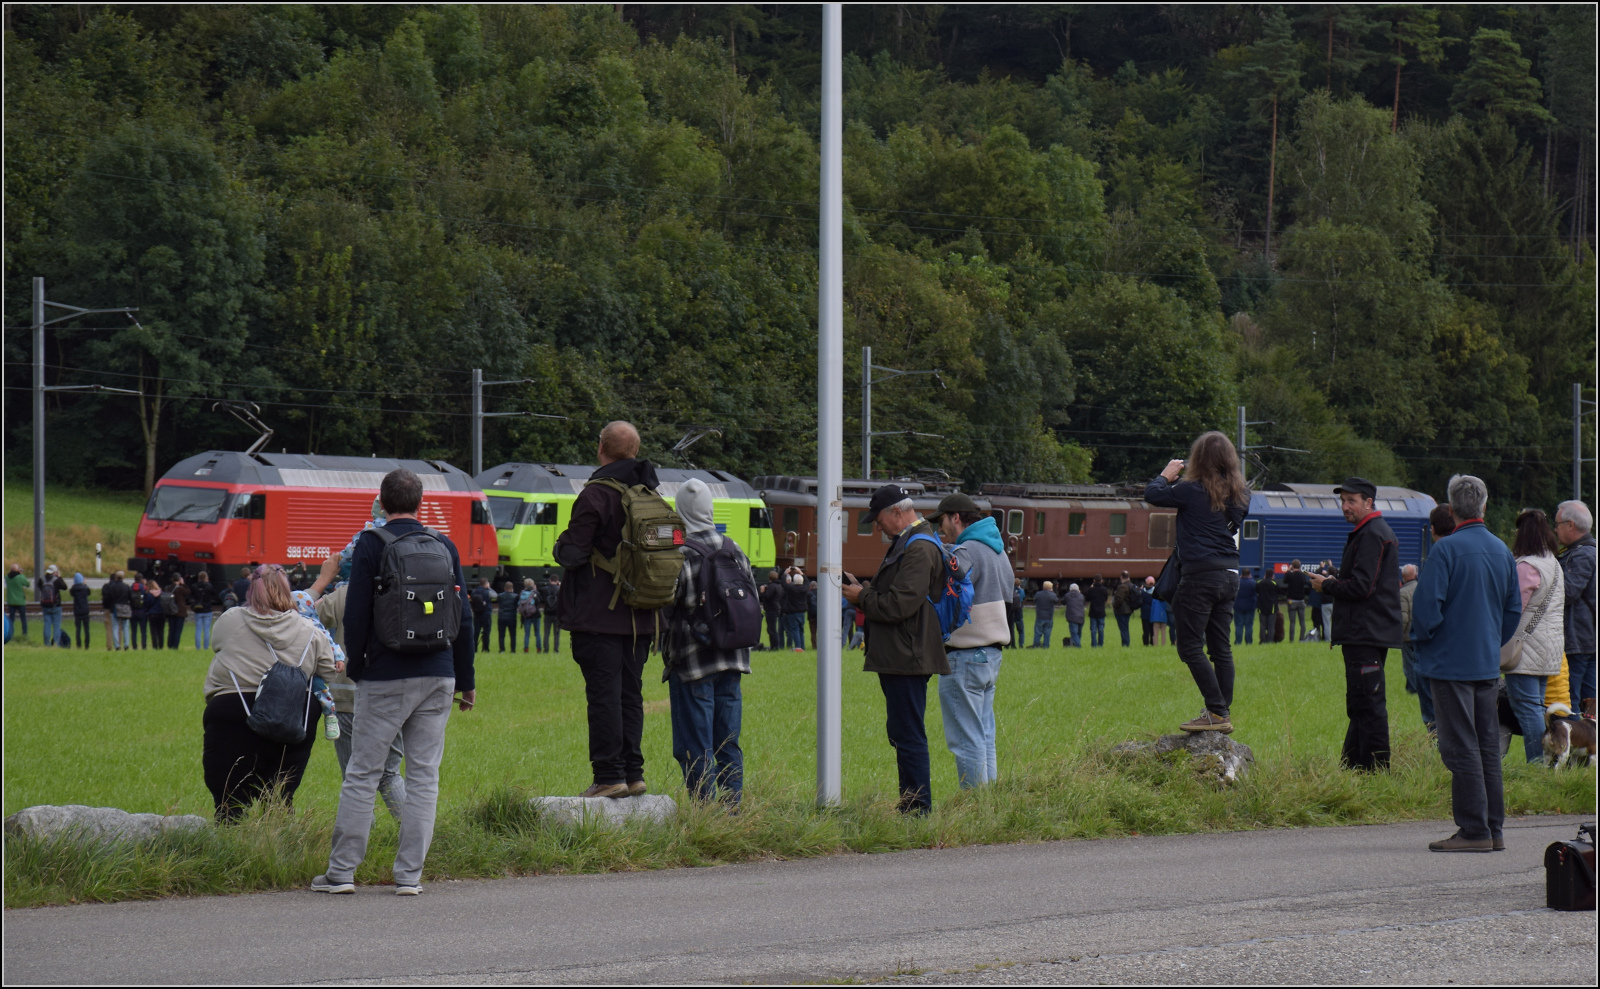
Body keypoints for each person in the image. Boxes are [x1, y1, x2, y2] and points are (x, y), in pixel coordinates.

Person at [315, 467, 476, 895]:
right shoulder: (444, 545)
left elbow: (357, 612)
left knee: (363, 772)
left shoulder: (372, 543)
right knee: (424, 775)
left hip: (386, 675)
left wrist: (358, 666)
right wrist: (466, 679)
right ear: (420, 503)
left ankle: (342, 873)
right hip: (439, 673)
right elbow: (466, 615)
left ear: (382, 504)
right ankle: (409, 877)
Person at [1410, 474, 1521, 852]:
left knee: (1459, 745)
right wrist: (1490, 641)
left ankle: (1473, 830)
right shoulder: (1502, 550)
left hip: (1450, 663)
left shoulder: (1445, 551)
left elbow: (1425, 613)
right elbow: (1513, 610)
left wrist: (1429, 641)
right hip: (1486, 663)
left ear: (1452, 509)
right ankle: (1494, 828)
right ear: (1485, 506)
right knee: (1487, 745)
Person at [551, 421, 661, 799]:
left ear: (602, 448)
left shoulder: (596, 495)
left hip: (599, 618)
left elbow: (573, 553)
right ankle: (634, 774)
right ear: (633, 451)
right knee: (630, 696)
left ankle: (608, 776)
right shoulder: (650, 492)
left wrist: (560, 544)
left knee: (603, 697)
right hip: (642, 617)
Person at [841, 484, 949, 814]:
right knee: (902, 734)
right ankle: (911, 805)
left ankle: (917, 810)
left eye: (879, 520)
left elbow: (900, 604)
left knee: (909, 736)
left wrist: (862, 596)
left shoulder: (918, 548)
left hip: (908, 657)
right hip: (903, 654)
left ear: (897, 513)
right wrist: (867, 591)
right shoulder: (912, 543)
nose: (877, 527)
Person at [203, 564, 339, 823]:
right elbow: (327, 670)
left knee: (229, 802)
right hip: (294, 713)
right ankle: (276, 846)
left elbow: (216, 645)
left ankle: (228, 850)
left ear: (252, 590)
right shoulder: (309, 630)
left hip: (234, 712)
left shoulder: (230, 620)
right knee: (279, 795)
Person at [1145, 431, 1250, 734]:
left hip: (1199, 575)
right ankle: (1220, 713)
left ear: (1198, 460)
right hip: (1230, 574)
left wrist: (1165, 475)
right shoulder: (1242, 494)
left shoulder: (1190, 489)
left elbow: (1152, 495)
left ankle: (1217, 712)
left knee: (1190, 647)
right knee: (1221, 649)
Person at [662, 478, 752, 805]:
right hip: (733, 658)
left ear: (681, 511)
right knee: (727, 741)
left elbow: (669, 605)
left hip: (693, 662)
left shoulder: (681, 554)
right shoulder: (734, 548)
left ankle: (704, 814)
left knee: (694, 743)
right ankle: (731, 809)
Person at [1308, 477, 1403, 772]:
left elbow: (1362, 587)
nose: (1345, 507)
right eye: (1343, 501)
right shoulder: (1368, 532)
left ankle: (1376, 772)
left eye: (1351, 501)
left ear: (1369, 503)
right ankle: (1352, 769)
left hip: (1367, 632)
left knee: (1369, 704)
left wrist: (1329, 585)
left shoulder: (1373, 534)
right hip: (1362, 632)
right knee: (1360, 703)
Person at [310, 554, 407, 820]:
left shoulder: (343, 596)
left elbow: (306, 613)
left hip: (347, 699)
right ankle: (417, 839)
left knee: (354, 775)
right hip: (394, 695)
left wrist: (324, 585)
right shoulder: (400, 589)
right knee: (389, 774)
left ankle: (360, 842)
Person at [930, 493, 1009, 788]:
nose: (941, 528)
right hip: (992, 653)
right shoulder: (997, 549)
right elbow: (1010, 591)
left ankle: (974, 806)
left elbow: (952, 578)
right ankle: (987, 803)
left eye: (942, 521)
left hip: (964, 653)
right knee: (984, 734)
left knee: (965, 739)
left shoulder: (967, 549)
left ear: (956, 518)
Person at [1503, 509, 1565, 764]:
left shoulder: (1528, 566)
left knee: (1527, 710)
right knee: (1537, 708)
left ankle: (1536, 764)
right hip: (1549, 648)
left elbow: (1513, 607)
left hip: (1524, 649)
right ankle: (1546, 763)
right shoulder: (1554, 563)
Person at [1554, 500, 1595, 716]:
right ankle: (1590, 747)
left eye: (1558, 524)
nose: (1555, 529)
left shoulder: (1582, 555)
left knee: (1573, 701)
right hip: (1589, 638)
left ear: (1570, 525)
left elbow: (1567, 593)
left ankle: (1572, 745)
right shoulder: (1591, 551)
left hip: (1579, 640)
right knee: (1591, 704)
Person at [1397, 564, 1435, 733]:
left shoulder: (1403, 592)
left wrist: (1398, 634)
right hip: (1422, 633)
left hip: (1407, 636)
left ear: (1403, 577)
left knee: (1409, 664)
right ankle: (1415, 687)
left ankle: (1413, 688)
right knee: (1419, 661)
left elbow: (1403, 617)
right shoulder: (1423, 588)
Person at [37, 564, 67, 648]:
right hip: (56, 606)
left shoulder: (42, 579)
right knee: (56, 625)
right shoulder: (56, 580)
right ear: (55, 572)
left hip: (45, 605)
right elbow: (64, 587)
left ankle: (46, 643)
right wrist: (59, 577)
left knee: (47, 624)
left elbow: (39, 587)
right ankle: (56, 643)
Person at [101, 571, 132, 651]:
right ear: (123, 577)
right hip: (124, 607)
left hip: (114, 607)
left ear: (116, 577)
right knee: (125, 626)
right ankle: (126, 644)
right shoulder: (126, 586)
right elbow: (130, 597)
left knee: (115, 626)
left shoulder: (112, 587)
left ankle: (117, 645)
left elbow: (109, 597)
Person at [781, 566, 809, 651]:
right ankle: (802, 646)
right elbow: (807, 582)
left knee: (795, 629)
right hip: (802, 612)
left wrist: (785, 573)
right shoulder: (804, 589)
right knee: (801, 630)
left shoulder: (791, 588)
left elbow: (783, 583)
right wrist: (801, 572)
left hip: (793, 612)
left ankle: (798, 647)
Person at [190, 571, 219, 650]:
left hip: (198, 609)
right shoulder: (209, 586)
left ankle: (198, 647)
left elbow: (191, 594)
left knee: (198, 629)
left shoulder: (194, 586)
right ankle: (206, 647)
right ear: (206, 578)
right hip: (207, 609)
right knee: (206, 629)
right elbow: (215, 594)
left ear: (199, 578)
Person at [1282, 560, 1310, 642]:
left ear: (1292, 566)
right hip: (1301, 600)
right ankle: (1301, 639)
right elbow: (1305, 582)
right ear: (1299, 566)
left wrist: (1288, 570)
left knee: (1292, 622)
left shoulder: (1290, 575)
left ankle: (1291, 640)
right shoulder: (1302, 575)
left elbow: (1284, 581)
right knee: (1302, 621)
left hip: (1292, 600)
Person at [1112, 571, 1138, 647]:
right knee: (1125, 628)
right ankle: (1126, 644)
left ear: (1121, 577)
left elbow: (1119, 599)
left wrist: (1115, 607)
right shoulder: (1131, 585)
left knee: (1123, 629)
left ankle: (1125, 645)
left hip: (1122, 611)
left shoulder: (1123, 586)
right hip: (1128, 610)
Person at [469, 577, 495, 654]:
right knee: (486, 632)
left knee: (476, 632)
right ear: (486, 584)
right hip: (486, 614)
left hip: (477, 614)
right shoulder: (487, 592)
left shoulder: (474, 592)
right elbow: (496, 596)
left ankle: (474, 648)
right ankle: (485, 648)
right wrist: (489, 588)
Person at [760, 571, 783, 652]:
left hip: (771, 609)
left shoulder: (772, 586)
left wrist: (763, 592)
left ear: (769, 577)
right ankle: (774, 646)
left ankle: (774, 647)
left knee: (771, 629)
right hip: (776, 607)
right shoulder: (779, 585)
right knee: (772, 628)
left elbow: (767, 596)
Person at [1083, 576, 1109, 647]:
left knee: (1093, 629)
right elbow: (1106, 598)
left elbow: (1087, 598)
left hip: (1093, 611)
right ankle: (1100, 644)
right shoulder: (1104, 589)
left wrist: (1090, 588)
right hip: (1101, 612)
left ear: (1094, 580)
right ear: (1101, 581)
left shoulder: (1091, 590)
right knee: (1101, 629)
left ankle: (1094, 644)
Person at [7, 563, 30, 641]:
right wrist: (22, 574)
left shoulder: (7, 578)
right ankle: (25, 634)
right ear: (17, 570)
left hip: (11, 602)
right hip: (20, 602)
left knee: (11, 620)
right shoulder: (20, 578)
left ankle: (10, 633)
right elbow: (27, 584)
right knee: (23, 619)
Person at [1030, 581, 1057, 648]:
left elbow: (1035, 600)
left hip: (1039, 616)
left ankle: (1036, 645)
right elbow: (1056, 601)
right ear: (1050, 588)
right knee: (1047, 633)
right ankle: (1046, 646)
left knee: (1038, 632)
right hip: (1049, 616)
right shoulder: (1052, 595)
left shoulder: (1038, 594)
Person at [540, 574, 562, 654]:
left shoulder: (544, 589)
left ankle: (546, 649)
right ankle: (556, 649)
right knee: (556, 633)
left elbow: (542, 600)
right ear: (557, 581)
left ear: (549, 580)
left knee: (546, 632)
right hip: (557, 614)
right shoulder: (560, 589)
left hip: (547, 613)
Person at [70, 573, 93, 648]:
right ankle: (87, 644)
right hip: (85, 610)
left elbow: (71, 592)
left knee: (78, 629)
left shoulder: (73, 589)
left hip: (77, 611)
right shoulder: (85, 588)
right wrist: (85, 584)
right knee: (86, 629)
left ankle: (78, 644)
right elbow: (89, 592)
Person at [1256, 569, 1279, 644]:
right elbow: (1279, 591)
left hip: (1261, 607)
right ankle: (1270, 640)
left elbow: (1256, 589)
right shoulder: (1274, 583)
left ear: (1265, 575)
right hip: (1271, 608)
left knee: (1262, 625)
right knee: (1271, 625)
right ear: (1272, 575)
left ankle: (1262, 640)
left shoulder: (1260, 583)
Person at [168, 574, 191, 649]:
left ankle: (170, 645)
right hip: (180, 611)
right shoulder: (180, 589)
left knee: (171, 629)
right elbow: (188, 592)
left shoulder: (169, 588)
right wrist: (183, 584)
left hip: (171, 610)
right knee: (178, 630)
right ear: (179, 579)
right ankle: (175, 646)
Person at [1235, 568, 1257, 644]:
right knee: (1249, 626)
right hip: (1250, 607)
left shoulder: (1237, 582)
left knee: (1238, 625)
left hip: (1238, 606)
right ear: (1249, 574)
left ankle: (1238, 641)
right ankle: (1249, 641)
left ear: (1242, 574)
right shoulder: (1253, 582)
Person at [519, 577, 540, 653]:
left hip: (526, 615)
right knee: (537, 633)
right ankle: (538, 649)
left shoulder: (522, 593)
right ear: (533, 584)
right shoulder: (535, 593)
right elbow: (538, 602)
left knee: (527, 633)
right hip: (536, 615)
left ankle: (526, 649)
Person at [497, 580, 519, 653]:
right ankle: (513, 650)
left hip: (502, 617)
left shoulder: (500, 596)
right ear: (512, 588)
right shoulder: (515, 596)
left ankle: (502, 649)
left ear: (504, 588)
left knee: (501, 635)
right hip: (512, 617)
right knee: (513, 635)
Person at [127, 575, 147, 650]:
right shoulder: (143, 588)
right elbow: (146, 598)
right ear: (141, 579)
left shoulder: (131, 588)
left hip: (133, 611)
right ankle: (144, 646)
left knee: (134, 631)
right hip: (142, 611)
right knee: (143, 631)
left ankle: (134, 646)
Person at [1063, 582, 1085, 647]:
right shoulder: (1081, 596)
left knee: (1074, 633)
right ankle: (1076, 645)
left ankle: (1078, 646)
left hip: (1072, 617)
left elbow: (1063, 602)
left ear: (1070, 589)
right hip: (1081, 617)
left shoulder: (1067, 595)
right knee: (1079, 633)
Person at [1009, 578, 1026, 651]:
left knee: (1011, 629)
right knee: (1021, 630)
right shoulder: (1021, 591)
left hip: (1011, 612)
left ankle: (1011, 644)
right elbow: (1023, 598)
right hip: (1019, 612)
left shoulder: (1010, 591)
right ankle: (1021, 644)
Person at [1139, 576, 1155, 646]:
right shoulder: (1156, 592)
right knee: (1152, 630)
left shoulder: (1142, 592)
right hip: (1154, 613)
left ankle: (1145, 643)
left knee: (1146, 630)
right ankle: (1152, 642)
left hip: (1145, 613)